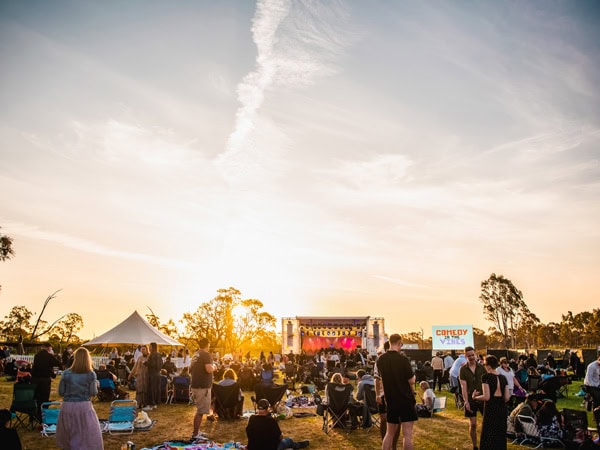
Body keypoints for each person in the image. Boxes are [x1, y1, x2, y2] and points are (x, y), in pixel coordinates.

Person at [55, 347, 103, 450]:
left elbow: (61, 392)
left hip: (67, 406)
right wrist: (96, 385)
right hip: (83, 406)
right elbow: (93, 392)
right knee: (86, 435)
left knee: (69, 433)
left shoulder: (66, 373)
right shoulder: (91, 374)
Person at [376, 333, 417, 450]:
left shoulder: (381, 360)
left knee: (389, 434)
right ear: (399, 343)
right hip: (405, 399)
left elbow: (380, 378)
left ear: (389, 343)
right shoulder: (403, 360)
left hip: (391, 400)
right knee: (407, 435)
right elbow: (411, 380)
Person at [472, 355, 510, 450]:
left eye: (485, 364)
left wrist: (475, 397)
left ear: (488, 366)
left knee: (488, 433)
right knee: (500, 433)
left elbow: (487, 396)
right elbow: (507, 397)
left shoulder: (486, 377)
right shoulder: (503, 378)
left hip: (491, 407)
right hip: (502, 407)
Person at [459, 346, 486, 450]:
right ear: (465, 356)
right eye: (469, 356)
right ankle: (475, 446)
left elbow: (486, 382)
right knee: (473, 424)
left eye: (472, 355)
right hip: (471, 398)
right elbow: (463, 386)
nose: (471, 357)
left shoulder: (481, 367)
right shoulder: (463, 369)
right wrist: (466, 401)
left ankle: (486, 444)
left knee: (486, 423)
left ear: (475, 354)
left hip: (482, 397)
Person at [190, 338, 215, 439]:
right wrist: (215, 367)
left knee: (199, 409)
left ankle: (197, 432)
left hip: (195, 384)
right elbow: (209, 369)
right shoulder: (206, 354)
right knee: (200, 411)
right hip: (202, 386)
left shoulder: (195, 355)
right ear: (207, 345)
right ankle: (195, 434)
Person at [31, 342, 62, 418]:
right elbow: (59, 365)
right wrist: (53, 373)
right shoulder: (49, 356)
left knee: (36, 397)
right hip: (45, 380)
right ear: (48, 348)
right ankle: (42, 415)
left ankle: (34, 415)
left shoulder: (37, 355)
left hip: (35, 379)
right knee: (44, 398)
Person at [129, 344, 149, 410]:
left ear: (147, 350)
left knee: (145, 390)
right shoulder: (140, 357)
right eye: (142, 349)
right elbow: (135, 366)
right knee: (139, 389)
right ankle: (139, 403)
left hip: (146, 375)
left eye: (144, 349)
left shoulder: (149, 357)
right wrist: (131, 374)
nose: (142, 351)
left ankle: (145, 403)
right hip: (139, 375)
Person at [145, 342, 163, 410]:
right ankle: (155, 403)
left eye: (150, 346)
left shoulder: (152, 355)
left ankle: (150, 405)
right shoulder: (159, 354)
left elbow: (151, 364)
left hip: (152, 374)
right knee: (156, 389)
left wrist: (145, 363)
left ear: (153, 347)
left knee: (151, 389)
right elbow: (161, 364)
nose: (149, 347)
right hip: (157, 374)